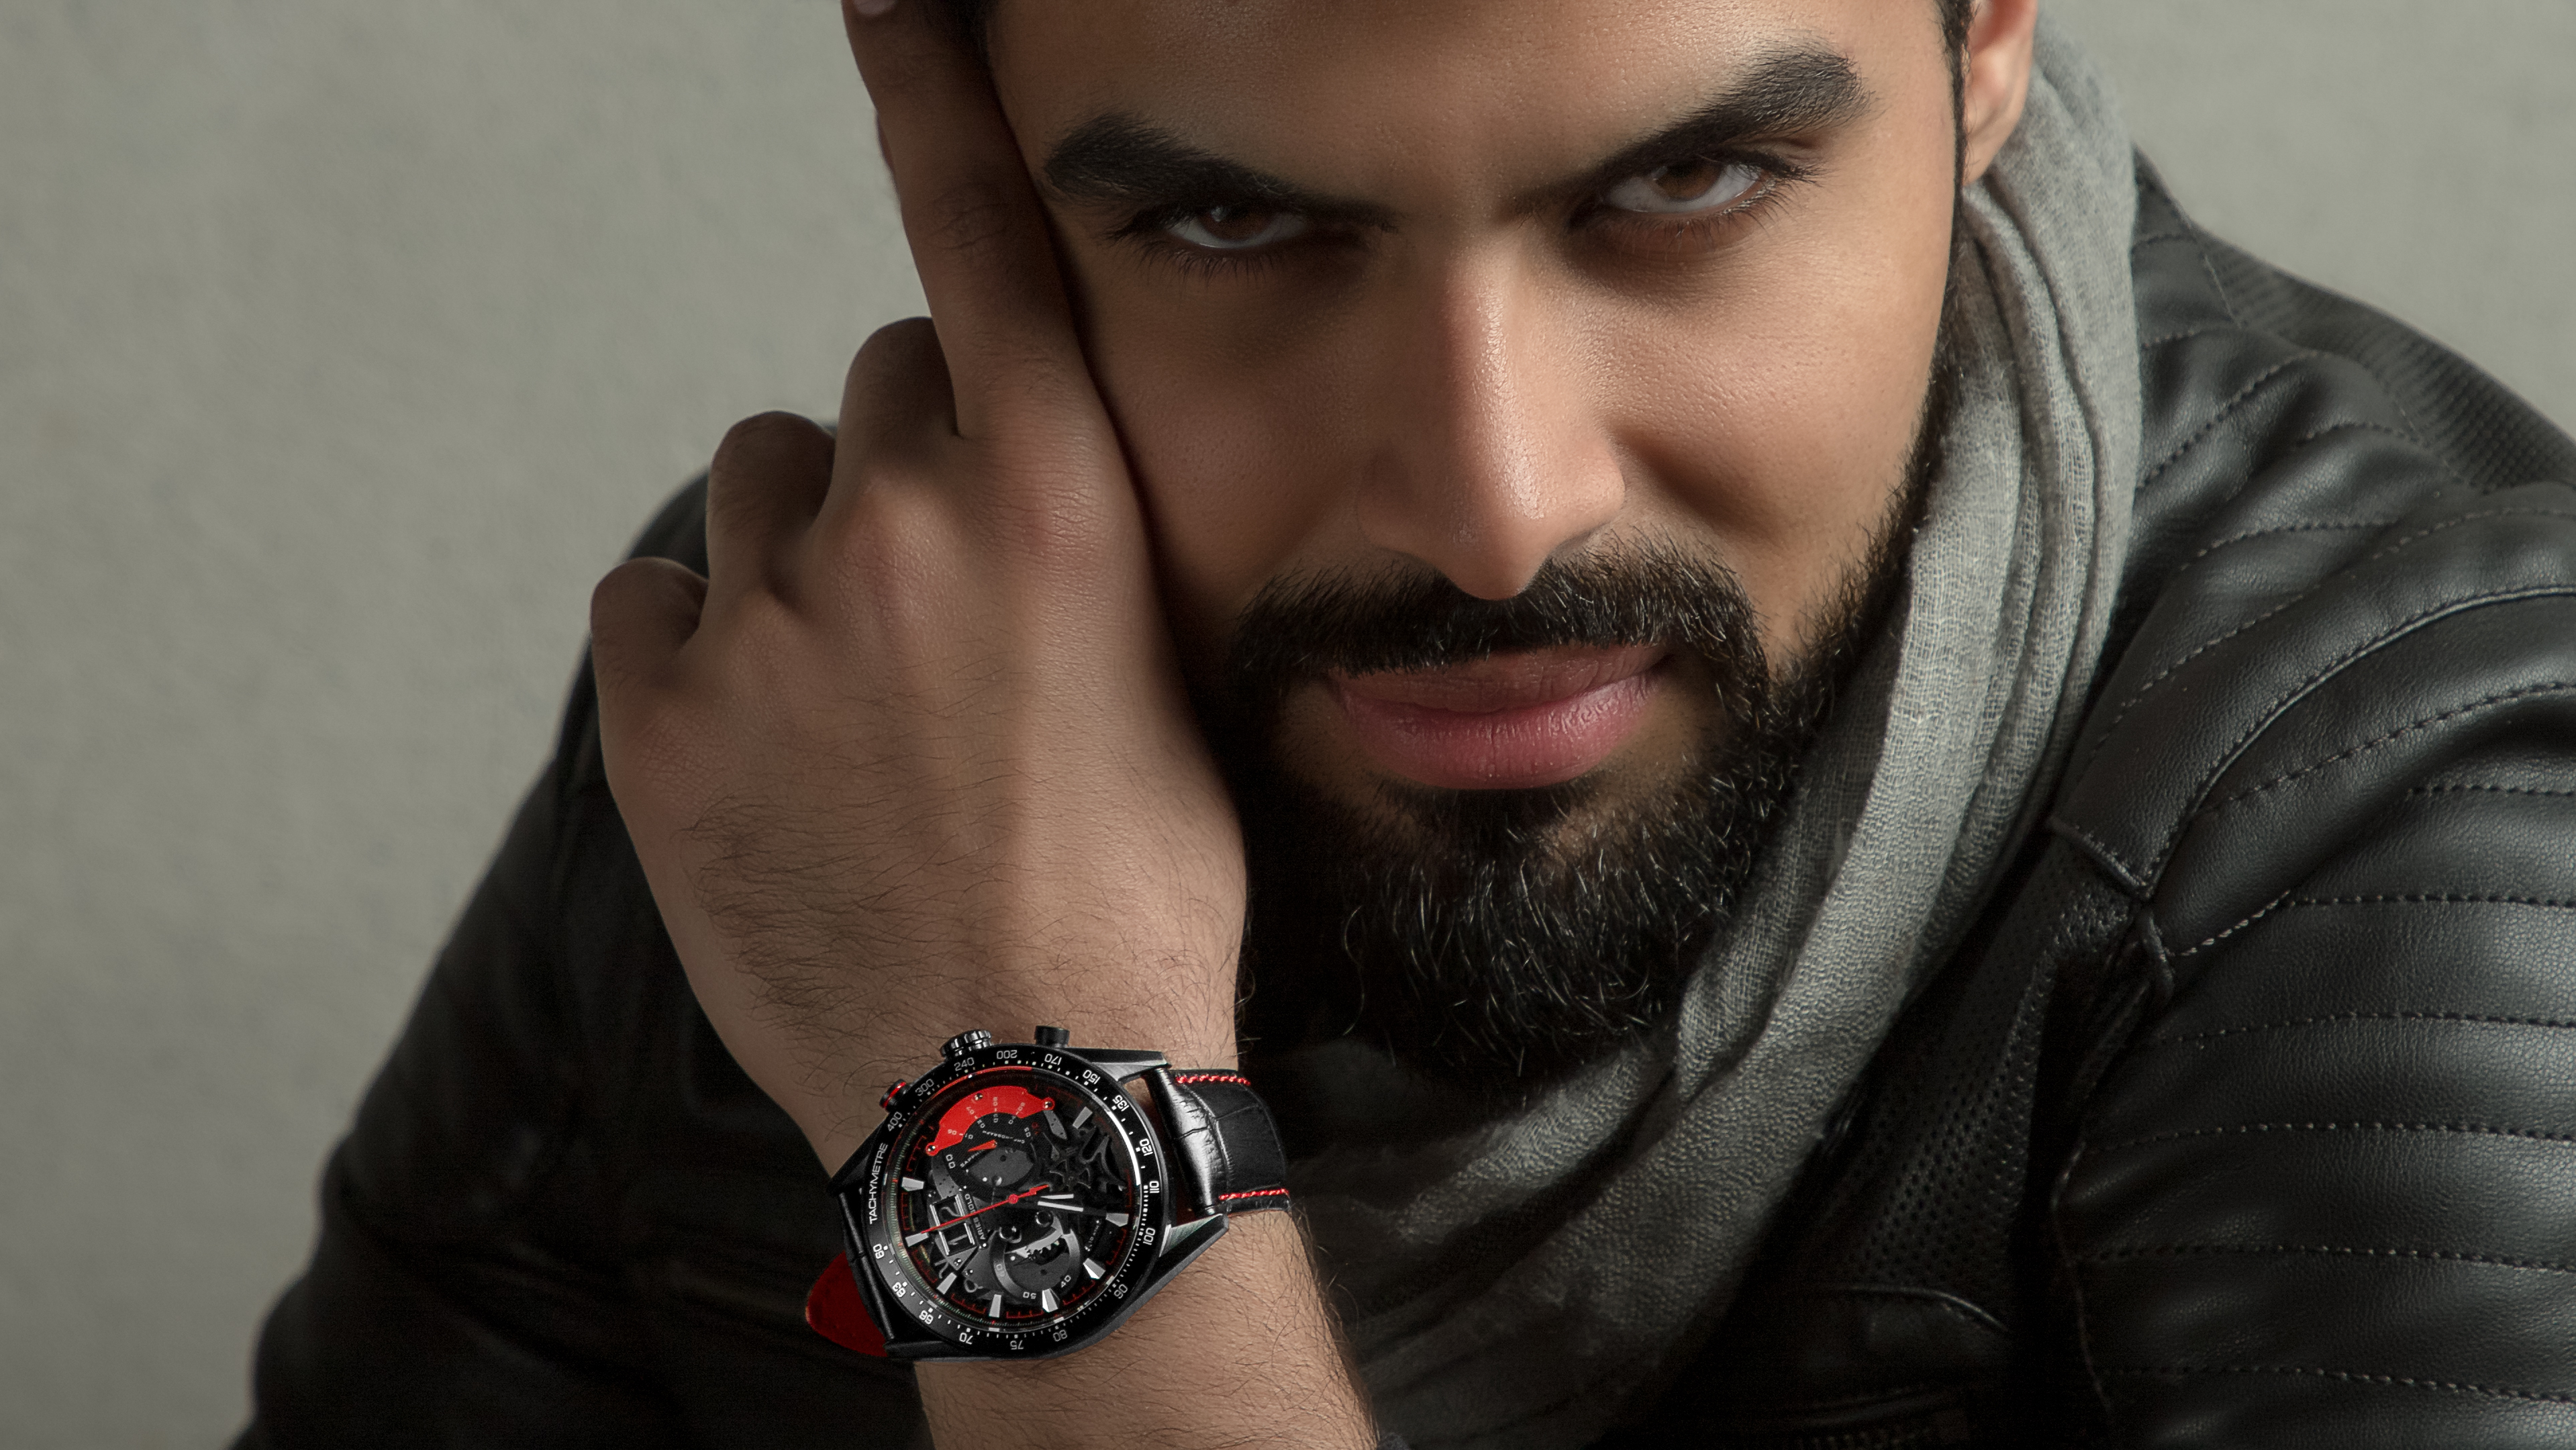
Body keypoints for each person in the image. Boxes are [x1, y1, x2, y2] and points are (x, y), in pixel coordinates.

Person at [236, 0, 2576, 1445]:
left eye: (1687, 183)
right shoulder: (833, 718)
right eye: (1236, 231)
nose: (1490, 506)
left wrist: (1038, 1124)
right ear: (963, 161)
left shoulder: (2430, 777)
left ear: (1986, 48)